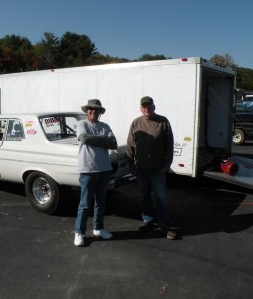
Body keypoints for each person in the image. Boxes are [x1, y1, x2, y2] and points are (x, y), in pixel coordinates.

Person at [126, 96, 177, 240]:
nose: (146, 108)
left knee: (161, 198)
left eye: (149, 106)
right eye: (144, 106)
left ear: (154, 107)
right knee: (144, 197)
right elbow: (130, 145)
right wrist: (131, 166)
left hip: (158, 170)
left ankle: (165, 226)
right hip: (141, 169)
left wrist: (167, 165)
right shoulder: (136, 123)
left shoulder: (163, 122)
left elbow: (170, 145)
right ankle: (148, 221)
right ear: (140, 108)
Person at [74, 99, 118, 247]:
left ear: (100, 112)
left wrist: (98, 140)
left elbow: (113, 144)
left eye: (96, 110)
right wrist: (103, 139)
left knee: (101, 202)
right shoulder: (82, 125)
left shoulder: (105, 125)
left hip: (104, 169)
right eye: (90, 109)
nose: (93, 112)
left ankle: (98, 228)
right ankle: (79, 232)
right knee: (85, 204)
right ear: (87, 111)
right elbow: (84, 138)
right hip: (87, 169)